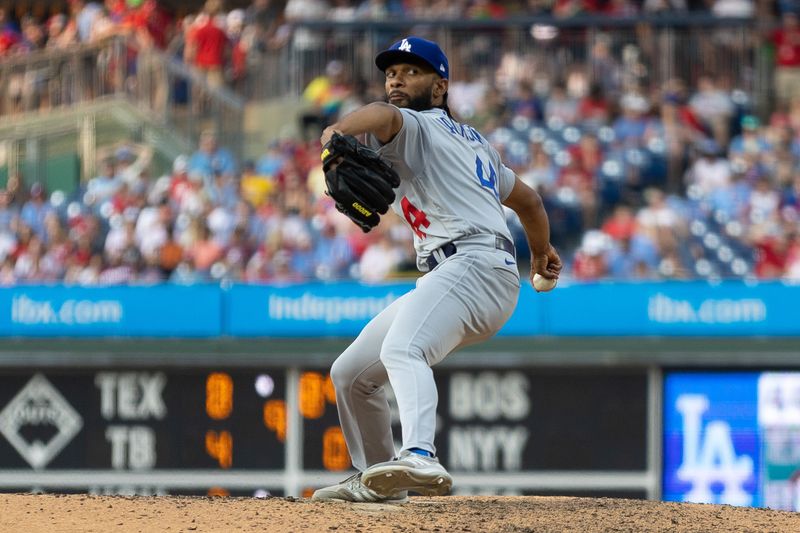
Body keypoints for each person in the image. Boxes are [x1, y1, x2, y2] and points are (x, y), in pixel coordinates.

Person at [311, 36, 562, 503]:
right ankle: (377, 482)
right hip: (467, 271)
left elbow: (383, 116)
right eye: (391, 72)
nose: (396, 79)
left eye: (412, 71)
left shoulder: (418, 125)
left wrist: (335, 132)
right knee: (351, 374)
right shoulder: (476, 144)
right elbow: (528, 200)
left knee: (404, 349)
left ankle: (420, 454)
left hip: (472, 264)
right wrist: (542, 253)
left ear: (440, 86)